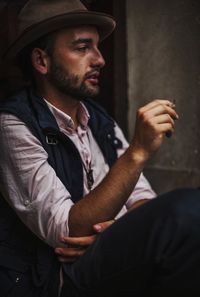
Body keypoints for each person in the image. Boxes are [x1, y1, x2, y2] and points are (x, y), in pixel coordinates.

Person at [0, 0, 200, 296]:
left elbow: (143, 200)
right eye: (82, 48)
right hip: (58, 279)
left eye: (96, 47)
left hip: (107, 260)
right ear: (42, 61)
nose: (99, 59)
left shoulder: (100, 120)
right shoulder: (13, 126)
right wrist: (138, 152)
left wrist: (115, 232)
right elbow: (66, 231)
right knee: (186, 211)